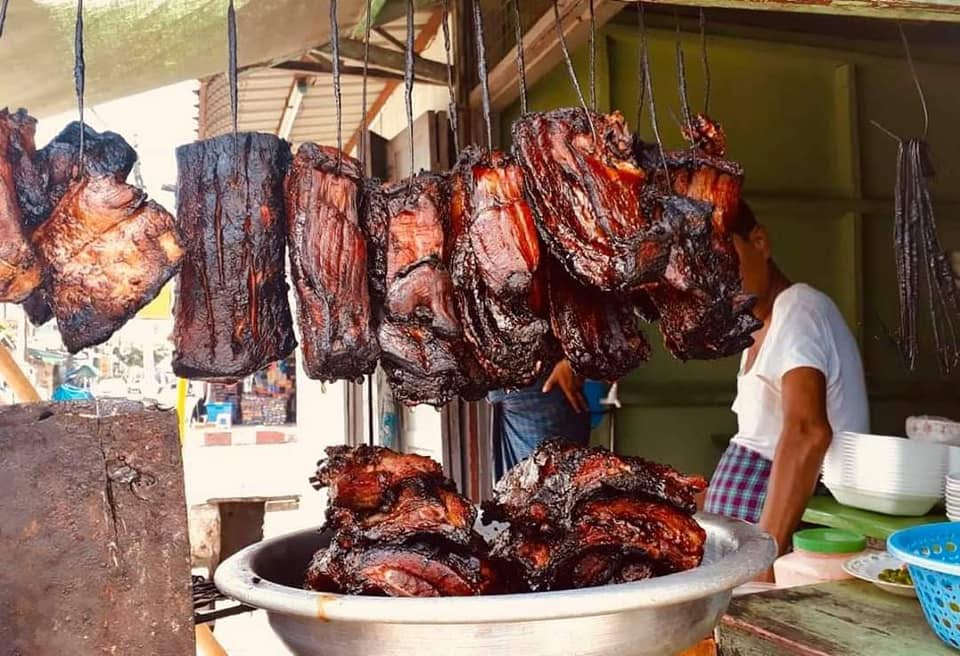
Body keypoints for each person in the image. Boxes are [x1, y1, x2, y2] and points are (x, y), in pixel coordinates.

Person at [703, 203, 869, 578]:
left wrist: (762, 557)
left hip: (777, 543)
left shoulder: (799, 308)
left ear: (760, 242)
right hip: (747, 541)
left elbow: (808, 432)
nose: (718, 278)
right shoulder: (758, 327)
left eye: (725, 258)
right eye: (707, 268)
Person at [489, 359, 591, 480]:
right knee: (547, 475)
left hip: (539, 391)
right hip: (519, 390)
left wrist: (572, 360)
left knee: (550, 473)